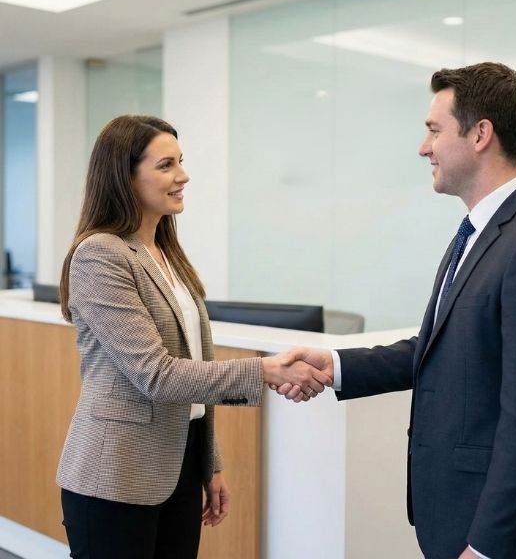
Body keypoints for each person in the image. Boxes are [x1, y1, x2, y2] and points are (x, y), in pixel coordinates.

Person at [275, 63, 516, 559]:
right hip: (453, 515)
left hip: (500, 536)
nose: (424, 147)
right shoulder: (478, 232)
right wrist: (336, 366)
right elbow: (442, 349)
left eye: (434, 130)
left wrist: (488, 546)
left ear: (481, 133)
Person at [56, 114, 330, 559]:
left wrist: (209, 463)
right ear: (124, 176)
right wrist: (264, 369)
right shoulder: (100, 255)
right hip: (116, 475)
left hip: (179, 467)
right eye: (166, 165)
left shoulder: (166, 253)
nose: (183, 175)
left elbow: (193, 370)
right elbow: (157, 376)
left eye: (180, 162)